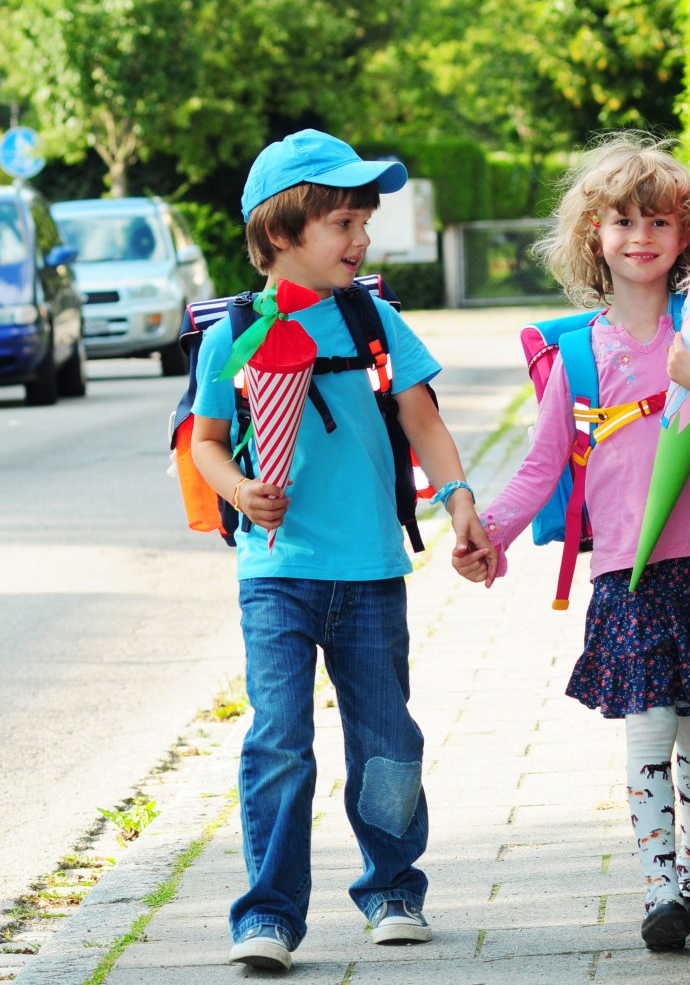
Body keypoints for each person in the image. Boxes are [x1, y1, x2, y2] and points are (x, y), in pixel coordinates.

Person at [473, 134, 690, 953]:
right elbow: (538, 467)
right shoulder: (579, 358)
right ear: (594, 234)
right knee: (646, 726)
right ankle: (658, 884)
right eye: (622, 221)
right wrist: (487, 536)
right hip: (625, 574)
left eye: (658, 221)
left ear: (686, 234)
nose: (640, 236)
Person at [191, 129, 496, 974]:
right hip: (275, 570)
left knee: (385, 737)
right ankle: (268, 917)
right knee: (280, 741)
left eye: (364, 220)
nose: (362, 239)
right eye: (344, 223)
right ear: (281, 231)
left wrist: (459, 499)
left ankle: (393, 889)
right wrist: (238, 490)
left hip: (368, 572)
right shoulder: (237, 331)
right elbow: (206, 443)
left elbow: (422, 420)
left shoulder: (373, 316)